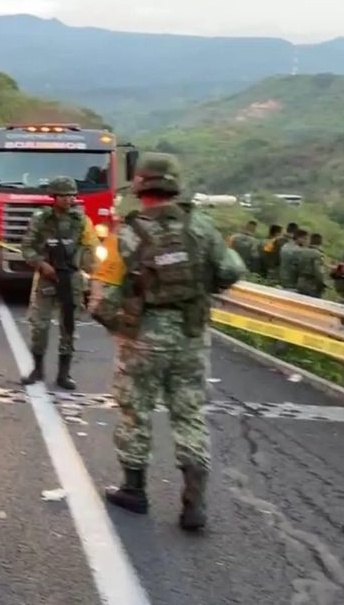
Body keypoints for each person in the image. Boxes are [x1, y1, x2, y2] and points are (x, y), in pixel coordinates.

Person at [89, 152, 245, 532]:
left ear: (139, 186)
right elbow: (231, 271)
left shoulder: (124, 235)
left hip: (142, 339)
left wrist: (121, 328)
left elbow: (101, 300)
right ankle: (194, 504)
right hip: (191, 337)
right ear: (175, 184)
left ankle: (134, 490)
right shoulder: (203, 228)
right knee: (189, 415)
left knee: (134, 412)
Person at [20, 176, 99, 389]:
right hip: (47, 277)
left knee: (69, 327)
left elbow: (91, 249)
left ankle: (64, 374)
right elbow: (27, 246)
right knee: (39, 325)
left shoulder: (82, 221)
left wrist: (92, 277)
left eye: (72, 195)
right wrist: (41, 264)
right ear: (54, 196)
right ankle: (37, 369)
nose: (68, 199)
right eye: (64, 195)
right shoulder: (41, 219)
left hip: (72, 278)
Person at [294, 232, 328, 298]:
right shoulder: (318, 254)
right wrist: (322, 285)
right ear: (320, 242)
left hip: (300, 282)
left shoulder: (302, 252)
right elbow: (319, 272)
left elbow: (296, 267)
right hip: (312, 285)